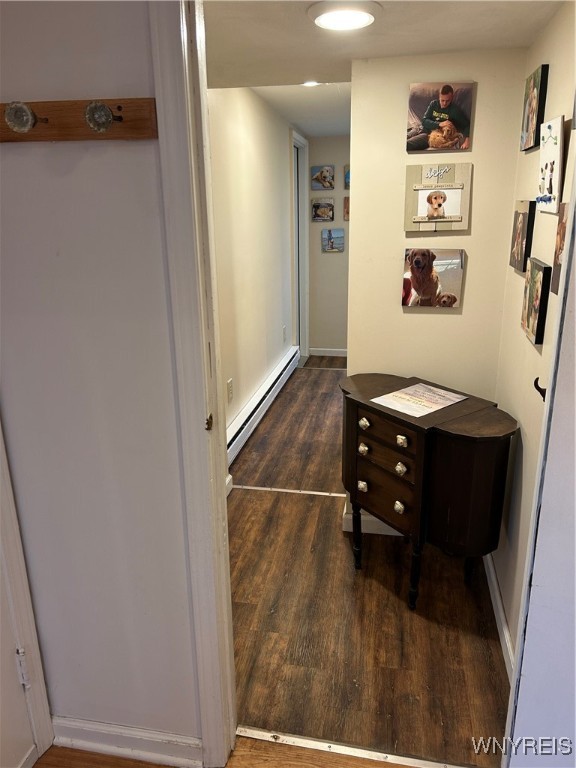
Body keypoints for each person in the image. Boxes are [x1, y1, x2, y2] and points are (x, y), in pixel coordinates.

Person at [407, 84, 470, 151]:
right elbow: (424, 121)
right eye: (442, 100)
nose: (444, 103)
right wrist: (439, 124)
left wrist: (467, 140)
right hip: (420, 128)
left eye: (447, 101)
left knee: (407, 145)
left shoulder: (454, 110)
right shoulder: (433, 104)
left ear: (452, 98)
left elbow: (467, 125)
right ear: (439, 96)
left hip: (429, 135)